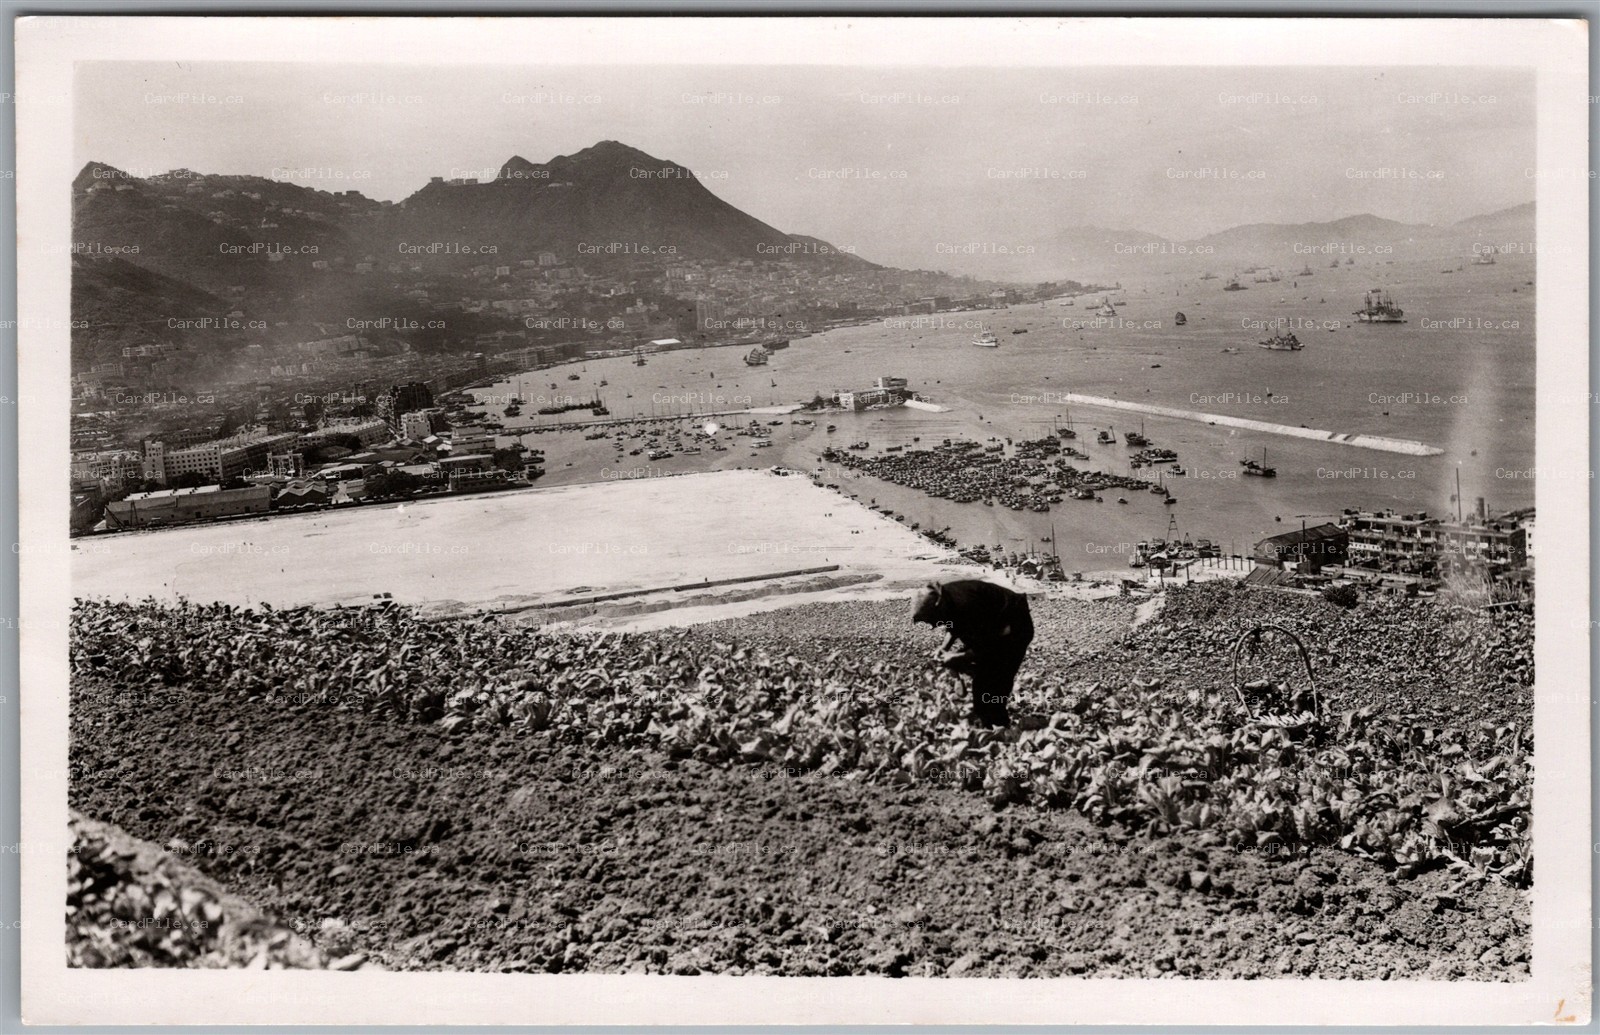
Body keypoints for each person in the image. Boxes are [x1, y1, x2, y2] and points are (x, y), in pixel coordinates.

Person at [910, 579, 1034, 728]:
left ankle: (999, 723)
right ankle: (989, 719)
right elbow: (953, 624)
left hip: (1014, 628)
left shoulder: (966, 604)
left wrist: (959, 656)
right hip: (991, 630)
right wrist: (944, 648)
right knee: (984, 679)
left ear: (938, 607)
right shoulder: (946, 599)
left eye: (932, 620)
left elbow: (989, 643)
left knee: (998, 678)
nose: (932, 625)